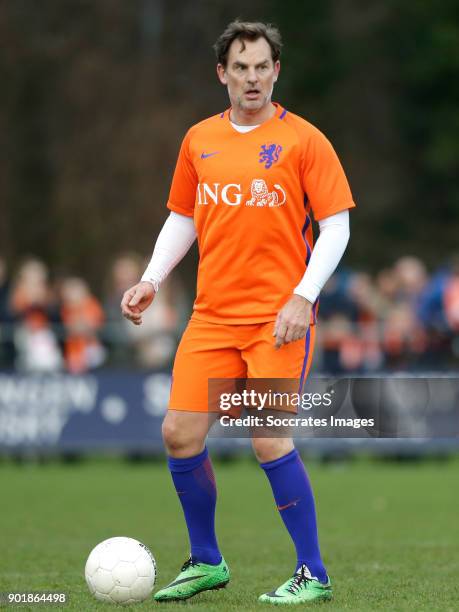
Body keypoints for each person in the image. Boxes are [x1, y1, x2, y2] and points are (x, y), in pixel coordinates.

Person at [121, 20, 355, 605]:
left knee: (268, 439)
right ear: (221, 73)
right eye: (240, 67)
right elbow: (185, 216)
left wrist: (302, 296)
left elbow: (336, 227)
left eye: (262, 67)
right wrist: (152, 279)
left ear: (276, 70)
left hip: (277, 319)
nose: (252, 78)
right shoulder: (198, 139)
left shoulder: (305, 140)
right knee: (179, 434)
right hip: (211, 318)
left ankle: (314, 573)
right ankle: (206, 562)